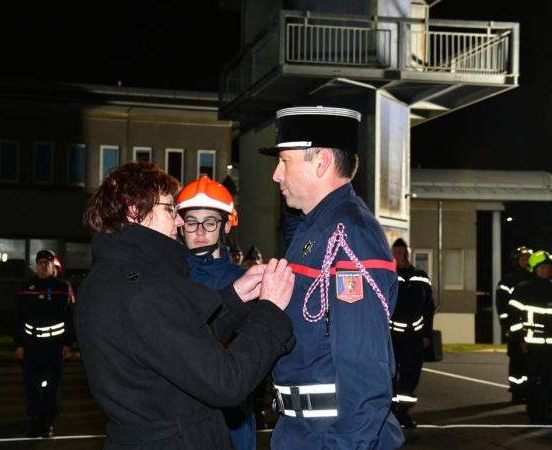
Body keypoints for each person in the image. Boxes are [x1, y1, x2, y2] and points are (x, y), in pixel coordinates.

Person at [75, 161, 296, 449]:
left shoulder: (109, 278)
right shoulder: (143, 291)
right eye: (169, 209)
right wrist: (270, 310)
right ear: (134, 210)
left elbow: (175, 350)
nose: (180, 221)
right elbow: (225, 382)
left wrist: (235, 298)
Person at [263, 105, 404, 448]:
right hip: (300, 431)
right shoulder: (317, 227)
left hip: (331, 437)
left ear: (322, 161)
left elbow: (365, 373)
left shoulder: (348, 235)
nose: (276, 175)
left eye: (285, 161)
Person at [177, 175, 256, 450]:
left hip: (232, 413)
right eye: (191, 222)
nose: (199, 231)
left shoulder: (246, 283)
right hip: (180, 413)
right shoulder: (168, 279)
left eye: (209, 222)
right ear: (180, 226)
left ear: (224, 226)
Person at [14, 249, 75, 438]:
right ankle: (34, 421)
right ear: (35, 265)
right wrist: (19, 344)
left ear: (53, 266)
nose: (43, 266)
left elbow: (70, 317)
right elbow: (17, 317)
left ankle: (48, 422)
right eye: (39, 262)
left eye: (46, 263)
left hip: (54, 346)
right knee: (32, 386)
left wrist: (67, 344)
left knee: (51, 387)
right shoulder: (26, 288)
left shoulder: (62, 287)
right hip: (31, 345)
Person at [389, 238, 435, 429]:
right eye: (398, 252)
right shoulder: (388, 276)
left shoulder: (421, 276)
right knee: (390, 376)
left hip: (414, 337)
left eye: (404, 251)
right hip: (392, 336)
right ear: (393, 254)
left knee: (412, 376)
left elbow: (429, 308)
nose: (402, 255)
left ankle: (402, 411)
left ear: (408, 253)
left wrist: (427, 334)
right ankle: (391, 413)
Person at [507, 250, 552, 424]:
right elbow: (514, 317)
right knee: (534, 381)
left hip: (550, 346)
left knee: (549, 381)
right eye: (543, 267)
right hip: (532, 345)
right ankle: (535, 413)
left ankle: (546, 411)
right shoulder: (523, 289)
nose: (546, 270)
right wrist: (521, 339)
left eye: (548, 267)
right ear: (534, 269)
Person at [496, 246, 533, 403]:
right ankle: (517, 391)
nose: (527, 262)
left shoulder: (535, 279)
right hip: (515, 327)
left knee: (532, 361)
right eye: (523, 259)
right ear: (516, 261)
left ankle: (530, 391)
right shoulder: (508, 281)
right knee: (517, 360)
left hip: (533, 328)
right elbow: (502, 306)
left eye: (528, 259)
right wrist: (507, 326)